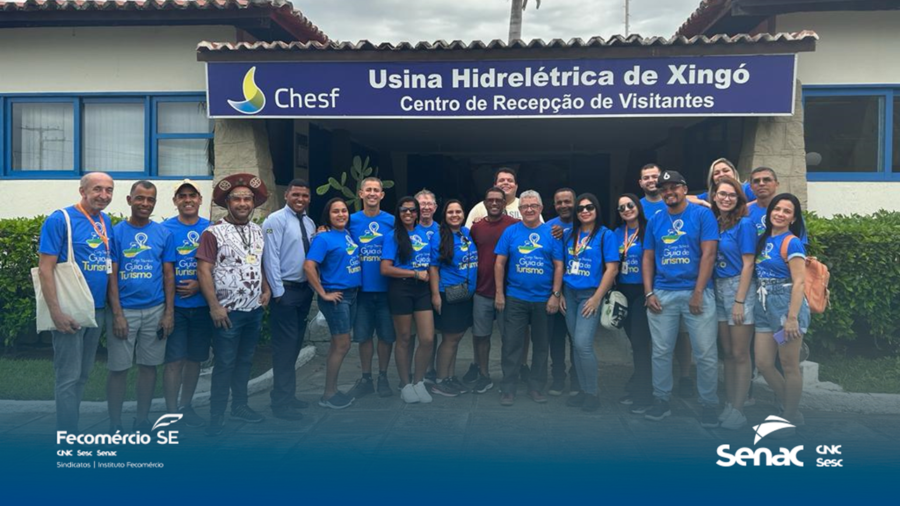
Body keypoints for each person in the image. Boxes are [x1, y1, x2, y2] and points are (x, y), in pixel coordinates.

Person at [642, 170, 720, 428]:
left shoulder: (702, 215)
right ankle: (660, 400)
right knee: (661, 351)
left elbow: (708, 255)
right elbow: (648, 258)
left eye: (674, 187)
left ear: (685, 189)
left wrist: (698, 292)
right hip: (663, 292)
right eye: (664, 188)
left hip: (698, 291)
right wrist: (649, 292)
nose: (668, 192)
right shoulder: (655, 220)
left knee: (705, 353)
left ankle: (709, 404)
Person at [38, 172, 115, 433]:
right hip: (69, 311)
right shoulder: (61, 219)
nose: (104, 195)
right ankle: (68, 434)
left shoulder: (105, 221)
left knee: (82, 375)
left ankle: (73, 428)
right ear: (82, 191)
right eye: (97, 189)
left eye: (109, 190)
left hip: (96, 311)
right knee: (68, 377)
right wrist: (56, 312)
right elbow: (45, 269)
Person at [197, 173, 271, 436]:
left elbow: (258, 263)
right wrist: (214, 306)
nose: (242, 203)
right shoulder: (212, 233)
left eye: (247, 199)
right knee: (225, 363)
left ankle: (240, 406)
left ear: (254, 203)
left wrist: (266, 288)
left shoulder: (257, 231)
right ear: (227, 202)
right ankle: (216, 416)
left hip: (253, 309)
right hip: (228, 312)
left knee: (245, 361)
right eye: (237, 198)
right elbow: (204, 271)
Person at [106, 181, 175, 434]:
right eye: (140, 198)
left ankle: (142, 420)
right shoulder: (115, 233)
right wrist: (117, 315)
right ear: (129, 200)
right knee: (118, 368)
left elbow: (169, 275)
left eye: (151, 200)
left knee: (149, 367)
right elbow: (111, 276)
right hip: (125, 312)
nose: (145, 204)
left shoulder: (163, 234)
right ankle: (115, 423)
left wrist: (168, 313)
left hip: (156, 310)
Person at [494, 190, 563, 406]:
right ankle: (508, 388)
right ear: (519, 210)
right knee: (511, 344)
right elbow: (499, 263)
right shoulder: (511, 232)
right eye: (525, 206)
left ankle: (536, 387)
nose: (529, 209)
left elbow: (559, 265)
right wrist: (499, 293)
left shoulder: (552, 233)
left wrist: (555, 295)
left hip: (544, 299)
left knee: (542, 346)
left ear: (541, 209)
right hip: (515, 297)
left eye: (534, 205)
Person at [753, 193, 811, 435]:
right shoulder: (764, 239)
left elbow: (799, 282)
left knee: (788, 364)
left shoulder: (792, 242)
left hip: (785, 305)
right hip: (763, 304)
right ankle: (791, 408)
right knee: (764, 363)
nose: (780, 214)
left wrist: (791, 318)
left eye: (787, 211)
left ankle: (788, 416)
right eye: (777, 209)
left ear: (793, 217)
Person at [262, 179, 316, 421]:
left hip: (304, 291)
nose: (300, 199)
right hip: (285, 290)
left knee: (294, 346)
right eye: (296, 195)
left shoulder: (309, 222)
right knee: (284, 348)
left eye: (304, 195)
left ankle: (288, 395)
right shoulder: (275, 220)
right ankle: (280, 402)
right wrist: (278, 292)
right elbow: (270, 257)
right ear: (286, 195)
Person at [560, 193, 619, 412]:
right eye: (580, 208)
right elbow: (562, 266)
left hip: (589, 295)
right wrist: (560, 295)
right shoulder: (569, 235)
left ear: (597, 210)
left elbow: (612, 269)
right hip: (569, 294)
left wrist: (596, 298)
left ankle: (592, 393)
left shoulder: (606, 235)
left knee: (583, 345)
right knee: (576, 343)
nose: (585, 211)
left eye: (589, 207)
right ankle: (584, 391)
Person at [162, 179, 211, 428]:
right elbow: (164, 268)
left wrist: (199, 285)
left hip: (203, 306)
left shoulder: (211, 229)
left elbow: (220, 267)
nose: (188, 199)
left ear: (200, 200)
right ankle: (171, 413)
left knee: (195, 359)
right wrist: (168, 310)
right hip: (177, 308)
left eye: (193, 195)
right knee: (174, 361)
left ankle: (186, 406)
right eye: (182, 196)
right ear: (175, 201)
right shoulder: (165, 229)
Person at [304, 198, 362, 409]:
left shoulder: (346, 235)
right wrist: (322, 293)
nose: (340, 215)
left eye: (344, 211)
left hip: (352, 295)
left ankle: (332, 390)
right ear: (328, 215)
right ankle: (328, 394)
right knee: (342, 344)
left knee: (339, 345)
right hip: (337, 296)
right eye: (335, 211)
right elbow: (309, 267)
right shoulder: (323, 238)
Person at [710, 177, 757, 430]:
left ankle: (739, 409)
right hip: (717, 287)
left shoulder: (745, 224)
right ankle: (730, 403)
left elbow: (749, 263)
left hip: (739, 287)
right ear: (714, 196)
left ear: (739, 198)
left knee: (740, 353)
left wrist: (739, 300)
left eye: (732, 195)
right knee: (727, 353)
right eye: (722, 194)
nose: (726, 198)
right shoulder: (715, 223)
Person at [381, 197, 436, 404]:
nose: (408, 214)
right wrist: (414, 273)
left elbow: (431, 264)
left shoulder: (425, 233)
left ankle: (419, 381)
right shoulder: (393, 236)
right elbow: (385, 268)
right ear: (398, 212)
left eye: (412, 210)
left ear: (417, 213)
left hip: (422, 290)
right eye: (404, 210)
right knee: (404, 338)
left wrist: (434, 291)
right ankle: (405, 384)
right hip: (401, 288)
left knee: (428, 338)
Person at [464, 186, 519, 393]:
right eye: (490, 200)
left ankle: (508, 378)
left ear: (505, 203)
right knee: (481, 336)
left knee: (510, 338)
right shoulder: (477, 228)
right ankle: (484, 374)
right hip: (481, 290)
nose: (494, 203)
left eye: (498, 200)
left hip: (509, 292)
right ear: (485, 203)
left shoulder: (515, 225)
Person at [346, 177, 396, 399]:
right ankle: (366, 377)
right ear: (361, 194)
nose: (373, 193)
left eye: (377, 190)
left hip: (387, 290)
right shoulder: (351, 221)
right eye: (369, 190)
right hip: (361, 290)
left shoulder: (392, 221)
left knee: (386, 337)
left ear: (382, 195)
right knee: (364, 337)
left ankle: (383, 377)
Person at [427, 200, 477, 397]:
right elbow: (433, 267)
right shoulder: (440, 236)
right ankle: (440, 381)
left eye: (458, 211)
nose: (455, 215)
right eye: (450, 212)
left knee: (456, 338)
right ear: (445, 215)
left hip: (465, 294)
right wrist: (435, 295)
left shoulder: (466, 233)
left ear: (464, 214)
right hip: (448, 294)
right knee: (449, 338)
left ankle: (449, 377)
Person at [613, 193, 654, 414]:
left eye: (630, 205)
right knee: (634, 343)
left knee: (640, 343)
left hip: (643, 292)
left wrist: (651, 292)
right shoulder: (617, 233)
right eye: (621, 208)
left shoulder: (650, 229)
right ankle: (638, 384)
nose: (627, 209)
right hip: (623, 292)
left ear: (638, 206)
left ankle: (645, 395)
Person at [546, 188, 579, 395]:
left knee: (577, 339)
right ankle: (558, 377)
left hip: (578, 291)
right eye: (559, 202)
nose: (564, 205)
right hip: (555, 290)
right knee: (555, 338)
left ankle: (577, 378)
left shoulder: (586, 223)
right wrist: (556, 293)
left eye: (568, 201)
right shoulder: (548, 227)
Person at [414, 188, 440, 383]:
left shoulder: (442, 229)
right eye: (421, 204)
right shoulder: (409, 229)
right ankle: (411, 373)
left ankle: (430, 369)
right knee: (410, 335)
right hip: (413, 286)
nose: (425, 207)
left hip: (438, 286)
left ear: (435, 207)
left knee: (433, 332)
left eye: (429, 203)